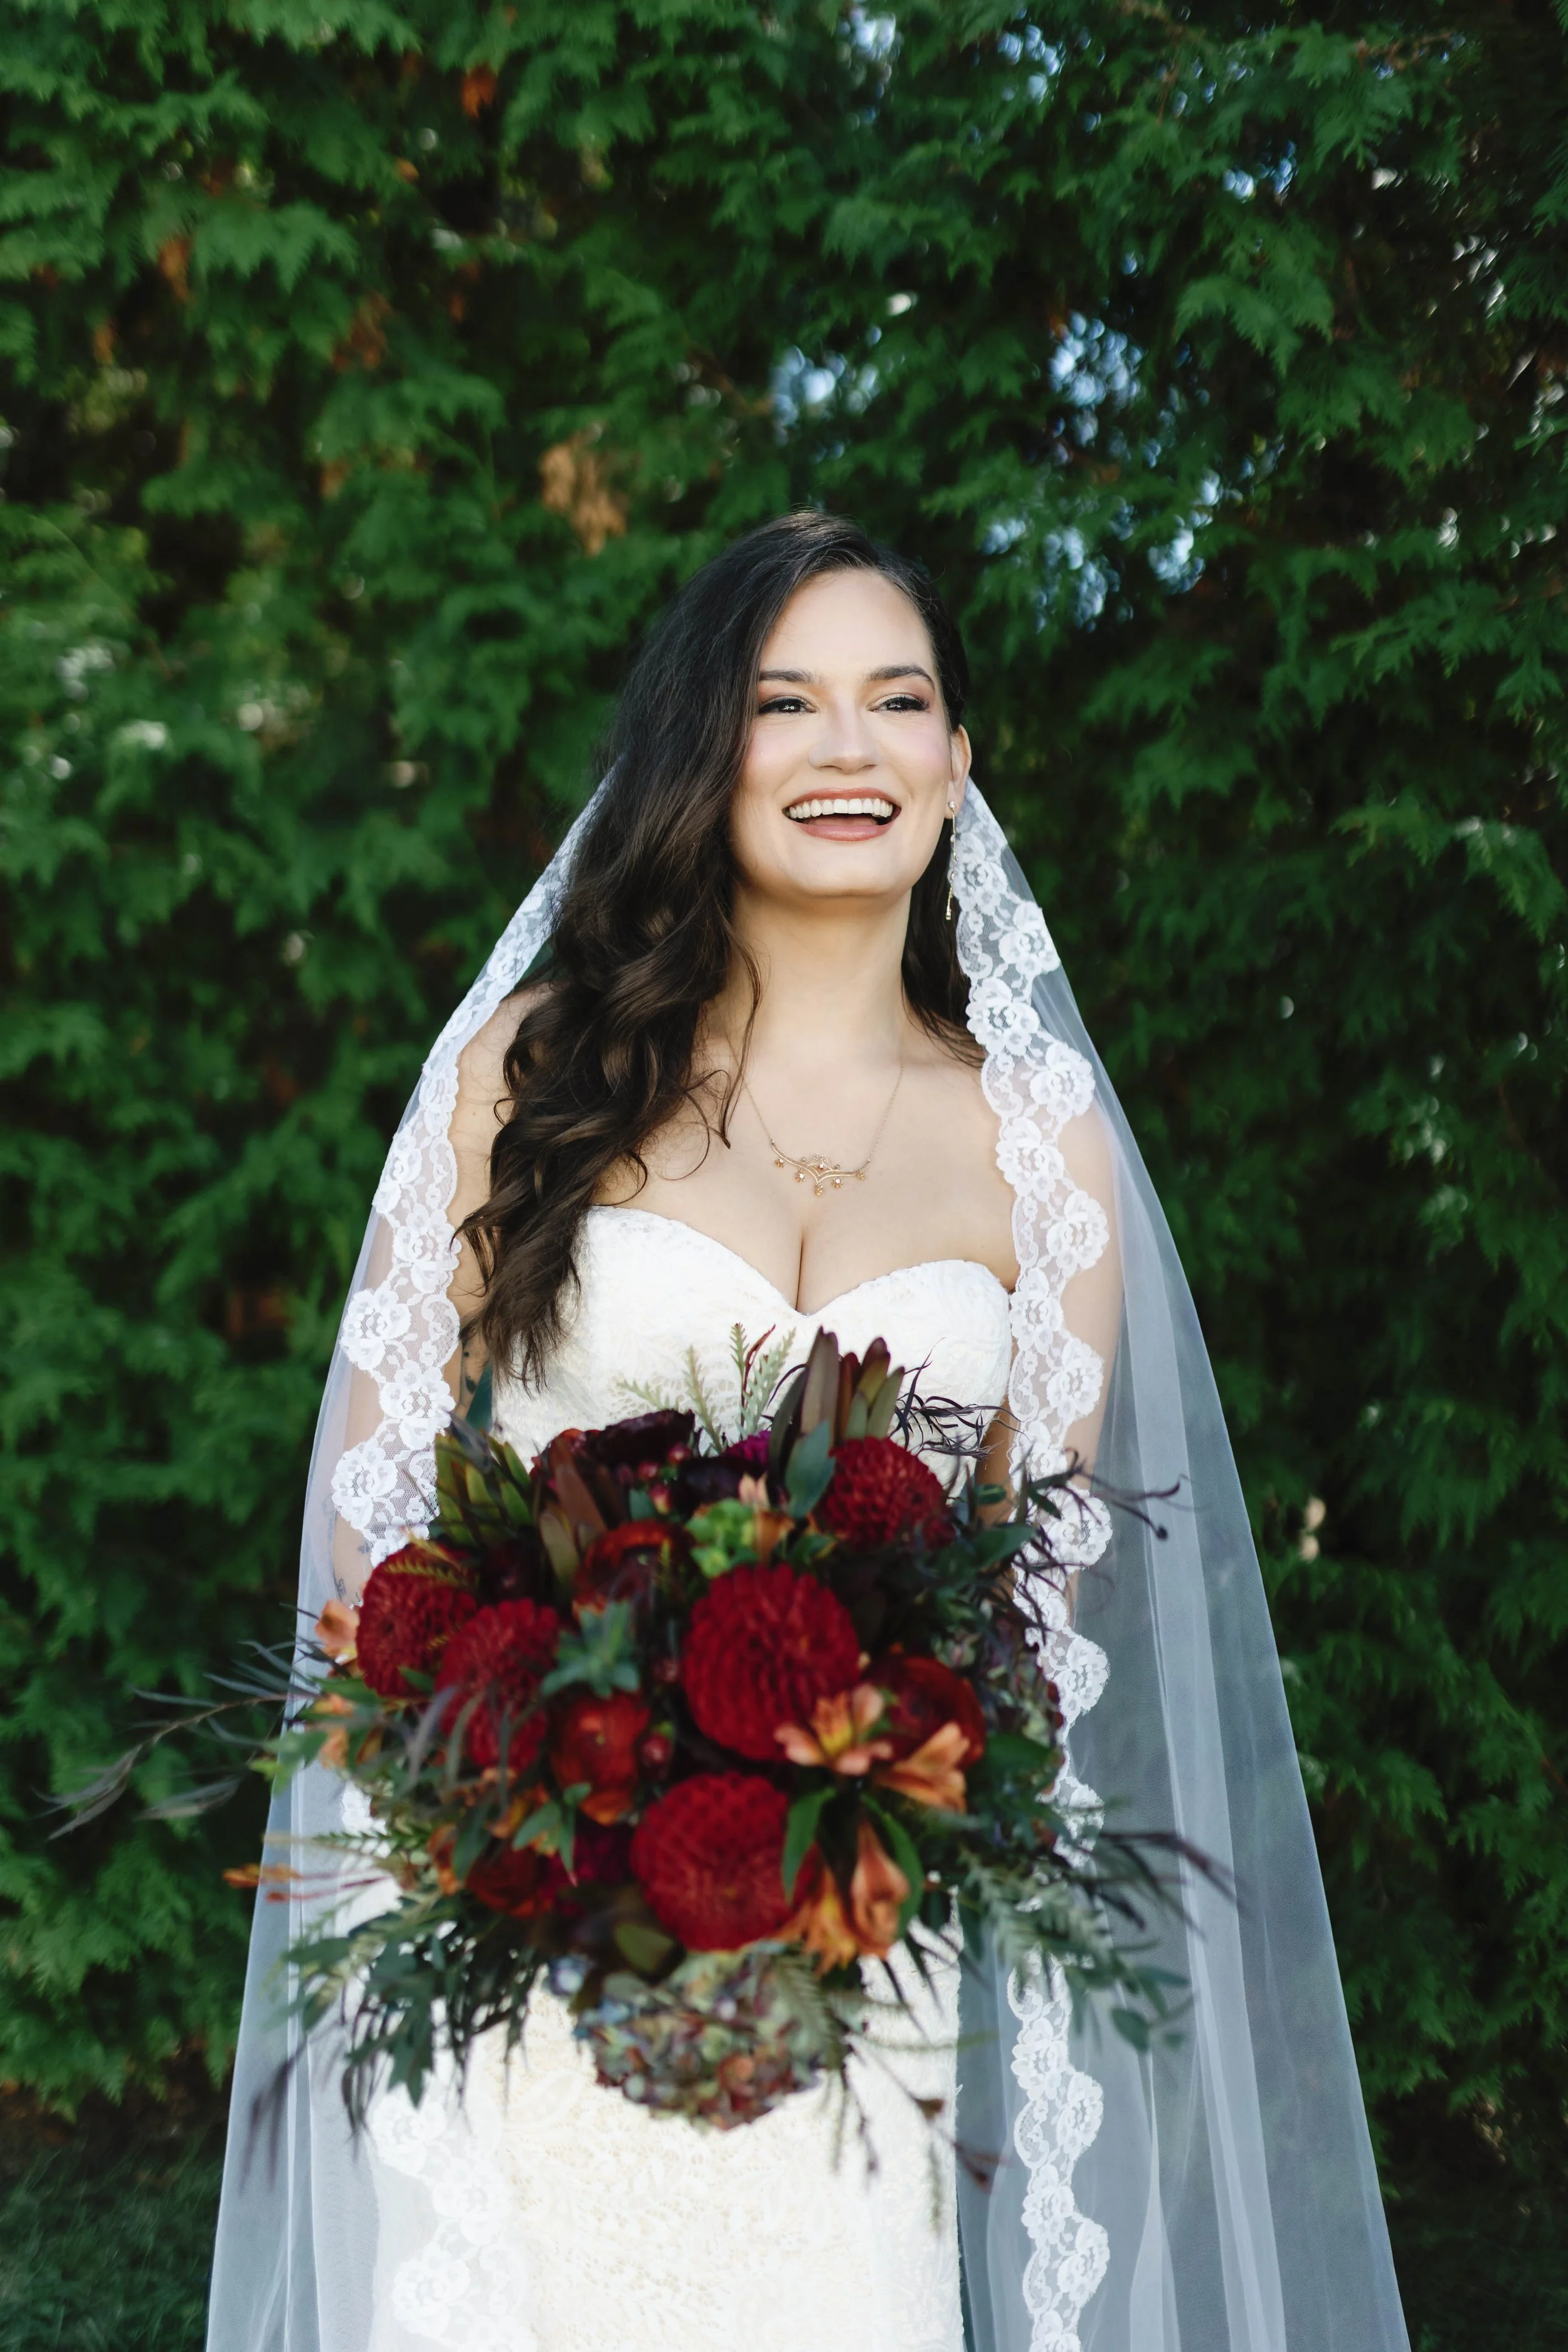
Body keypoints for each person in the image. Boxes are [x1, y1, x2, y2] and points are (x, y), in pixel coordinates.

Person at [208, 514, 1409, 2352]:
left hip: (855, 1989)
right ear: (704, 750)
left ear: (955, 762)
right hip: (533, 1953)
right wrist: (524, 1800)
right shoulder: (526, 1073)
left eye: (896, 699)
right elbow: (376, 1530)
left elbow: (1035, 1605)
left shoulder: (1042, 1141)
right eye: (786, 702)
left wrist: (871, 1777)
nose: (848, 748)